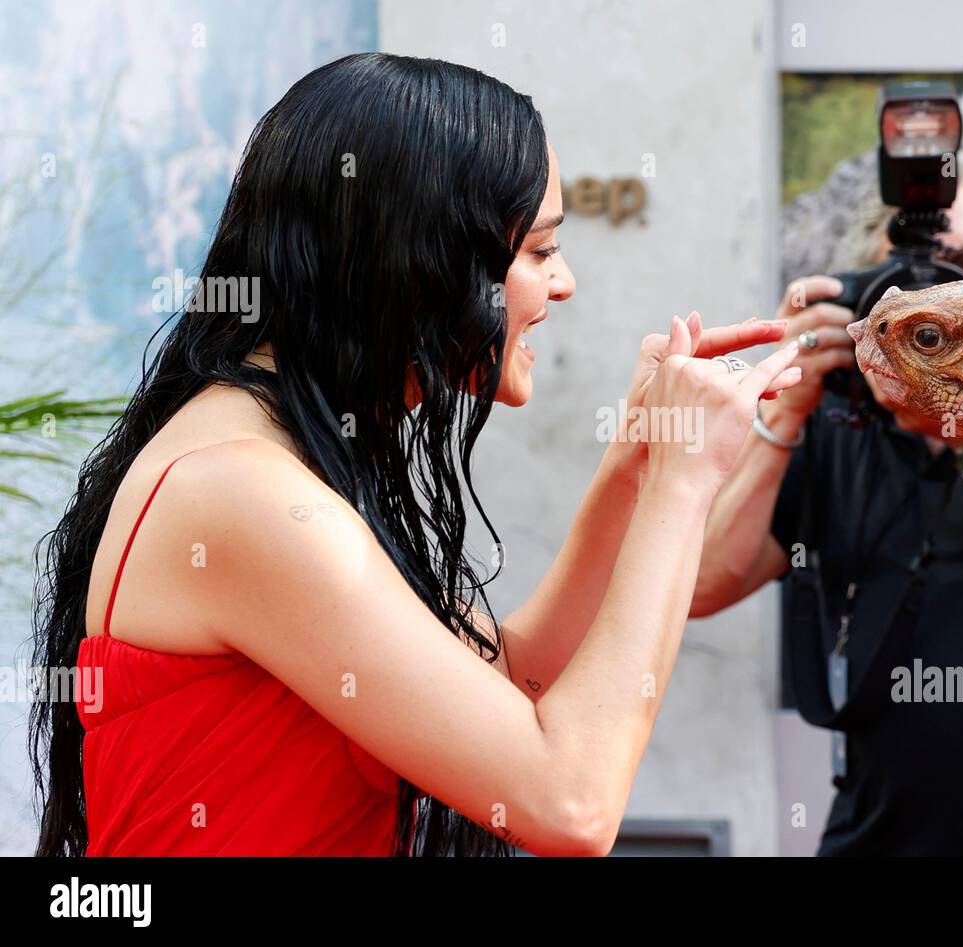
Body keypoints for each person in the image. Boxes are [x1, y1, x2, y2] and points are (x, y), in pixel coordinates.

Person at [27, 53, 804, 858]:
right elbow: (570, 802)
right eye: (538, 252)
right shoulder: (243, 495)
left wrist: (641, 463)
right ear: (420, 259)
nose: (564, 284)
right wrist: (686, 484)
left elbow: (519, 679)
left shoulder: (269, 457)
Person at [692, 150, 963, 856]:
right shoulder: (841, 428)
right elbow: (702, 584)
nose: (939, 302)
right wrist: (784, 405)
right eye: (910, 283)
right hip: (869, 836)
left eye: (962, 264)